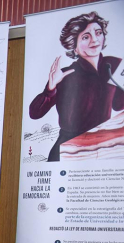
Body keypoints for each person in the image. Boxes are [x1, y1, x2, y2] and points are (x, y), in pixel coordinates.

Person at [29, 11, 124, 161]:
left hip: (101, 146)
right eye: (86, 37)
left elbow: (118, 106)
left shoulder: (114, 65)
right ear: (74, 46)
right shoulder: (65, 74)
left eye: (98, 33)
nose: (94, 40)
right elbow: (35, 113)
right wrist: (51, 88)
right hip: (68, 148)